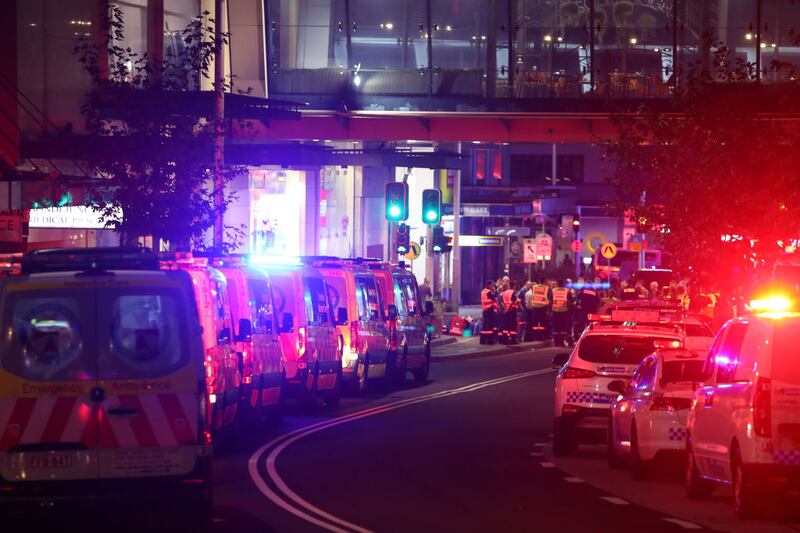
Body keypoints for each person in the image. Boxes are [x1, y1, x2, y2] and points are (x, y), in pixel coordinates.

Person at [551, 280, 572, 347]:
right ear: (563, 284)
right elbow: (570, 302)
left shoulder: (553, 290)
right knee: (563, 328)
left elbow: (550, 300)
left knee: (556, 328)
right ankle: (561, 342)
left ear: (557, 283)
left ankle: (556, 343)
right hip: (564, 311)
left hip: (555, 311)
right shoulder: (567, 291)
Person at [501, 280, 520, 345]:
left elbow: (502, 302)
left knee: (506, 325)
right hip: (511, 310)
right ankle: (513, 340)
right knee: (513, 325)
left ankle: (504, 340)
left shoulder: (505, 292)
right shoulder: (514, 292)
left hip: (505, 310)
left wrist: (505, 309)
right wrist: (508, 309)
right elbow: (512, 302)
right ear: (514, 286)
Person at [480, 280, 498, 345]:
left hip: (484, 309)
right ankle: (490, 341)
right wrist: (493, 291)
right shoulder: (488, 292)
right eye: (492, 285)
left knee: (484, 326)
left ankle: (482, 340)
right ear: (489, 285)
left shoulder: (483, 291)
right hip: (489, 309)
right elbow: (494, 298)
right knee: (490, 326)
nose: (492, 286)